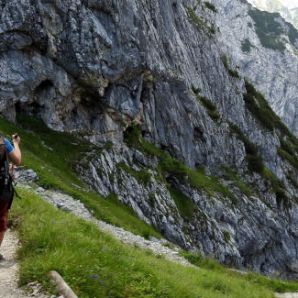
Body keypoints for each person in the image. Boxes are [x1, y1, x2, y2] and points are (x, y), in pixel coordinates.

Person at [0, 134, 21, 261]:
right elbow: (17, 160)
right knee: (1, 220)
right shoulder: (3, 142)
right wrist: (16, 143)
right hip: (1, 190)